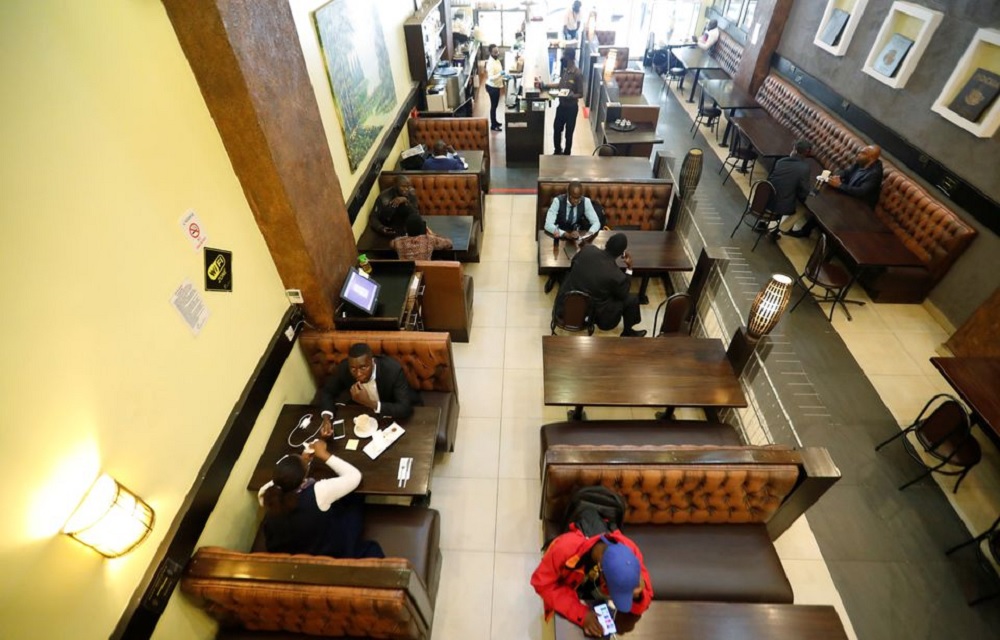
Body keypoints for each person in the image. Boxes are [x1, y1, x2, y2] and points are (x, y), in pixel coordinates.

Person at [258, 438, 384, 559]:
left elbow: (275, 483)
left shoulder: (266, 495)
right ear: (302, 480)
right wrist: (324, 454)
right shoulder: (319, 492)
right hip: (328, 549)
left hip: (297, 547)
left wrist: (298, 466)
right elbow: (355, 476)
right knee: (356, 497)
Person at [531, 527, 653, 636]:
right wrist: (582, 615)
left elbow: (645, 597)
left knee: (621, 626)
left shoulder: (629, 550)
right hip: (569, 593)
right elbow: (542, 584)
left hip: (592, 596)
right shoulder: (564, 549)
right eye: (614, 593)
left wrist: (638, 596)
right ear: (601, 572)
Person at [555, 233, 646, 337]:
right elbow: (623, 294)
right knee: (632, 299)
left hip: (564, 305)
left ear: (606, 244)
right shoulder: (616, 275)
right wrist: (629, 269)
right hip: (590, 313)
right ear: (622, 254)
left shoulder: (587, 249)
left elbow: (573, 265)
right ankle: (628, 332)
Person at [317, 343, 420, 431]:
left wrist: (370, 403)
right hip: (362, 417)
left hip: (389, 414)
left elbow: (405, 408)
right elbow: (327, 392)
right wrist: (326, 419)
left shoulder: (393, 370)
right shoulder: (344, 368)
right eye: (353, 369)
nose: (358, 374)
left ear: (372, 362)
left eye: (363, 367)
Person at [788, 144, 883, 238]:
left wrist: (839, 185)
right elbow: (846, 172)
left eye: (863, 153)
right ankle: (804, 229)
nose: (858, 154)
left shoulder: (875, 174)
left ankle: (808, 233)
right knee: (821, 197)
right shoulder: (860, 162)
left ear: (871, 158)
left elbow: (861, 192)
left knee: (826, 208)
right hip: (849, 195)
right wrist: (838, 176)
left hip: (860, 207)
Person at [763, 139, 814, 240]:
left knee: (785, 194)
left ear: (794, 149)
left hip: (764, 199)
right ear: (807, 153)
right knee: (802, 207)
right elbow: (804, 192)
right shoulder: (804, 168)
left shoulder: (781, 161)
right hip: (779, 206)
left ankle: (763, 222)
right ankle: (779, 230)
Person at [538, 53, 584, 155]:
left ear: (571, 59)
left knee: (569, 133)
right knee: (557, 129)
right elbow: (560, 85)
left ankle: (567, 153)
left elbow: (581, 94)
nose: (563, 61)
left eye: (565, 59)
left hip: (571, 109)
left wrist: (571, 96)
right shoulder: (565, 71)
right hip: (561, 107)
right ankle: (557, 150)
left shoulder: (577, 74)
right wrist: (545, 85)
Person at [485, 44, 505, 132]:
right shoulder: (490, 63)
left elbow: (499, 71)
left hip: (497, 85)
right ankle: (493, 125)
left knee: (495, 105)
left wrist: (503, 76)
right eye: (495, 52)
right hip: (492, 87)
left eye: (497, 51)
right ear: (490, 52)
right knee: (493, 106)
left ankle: (495, 122)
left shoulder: (496, 60)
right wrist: (500, 74)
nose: (497, 53)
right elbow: (491, 77)